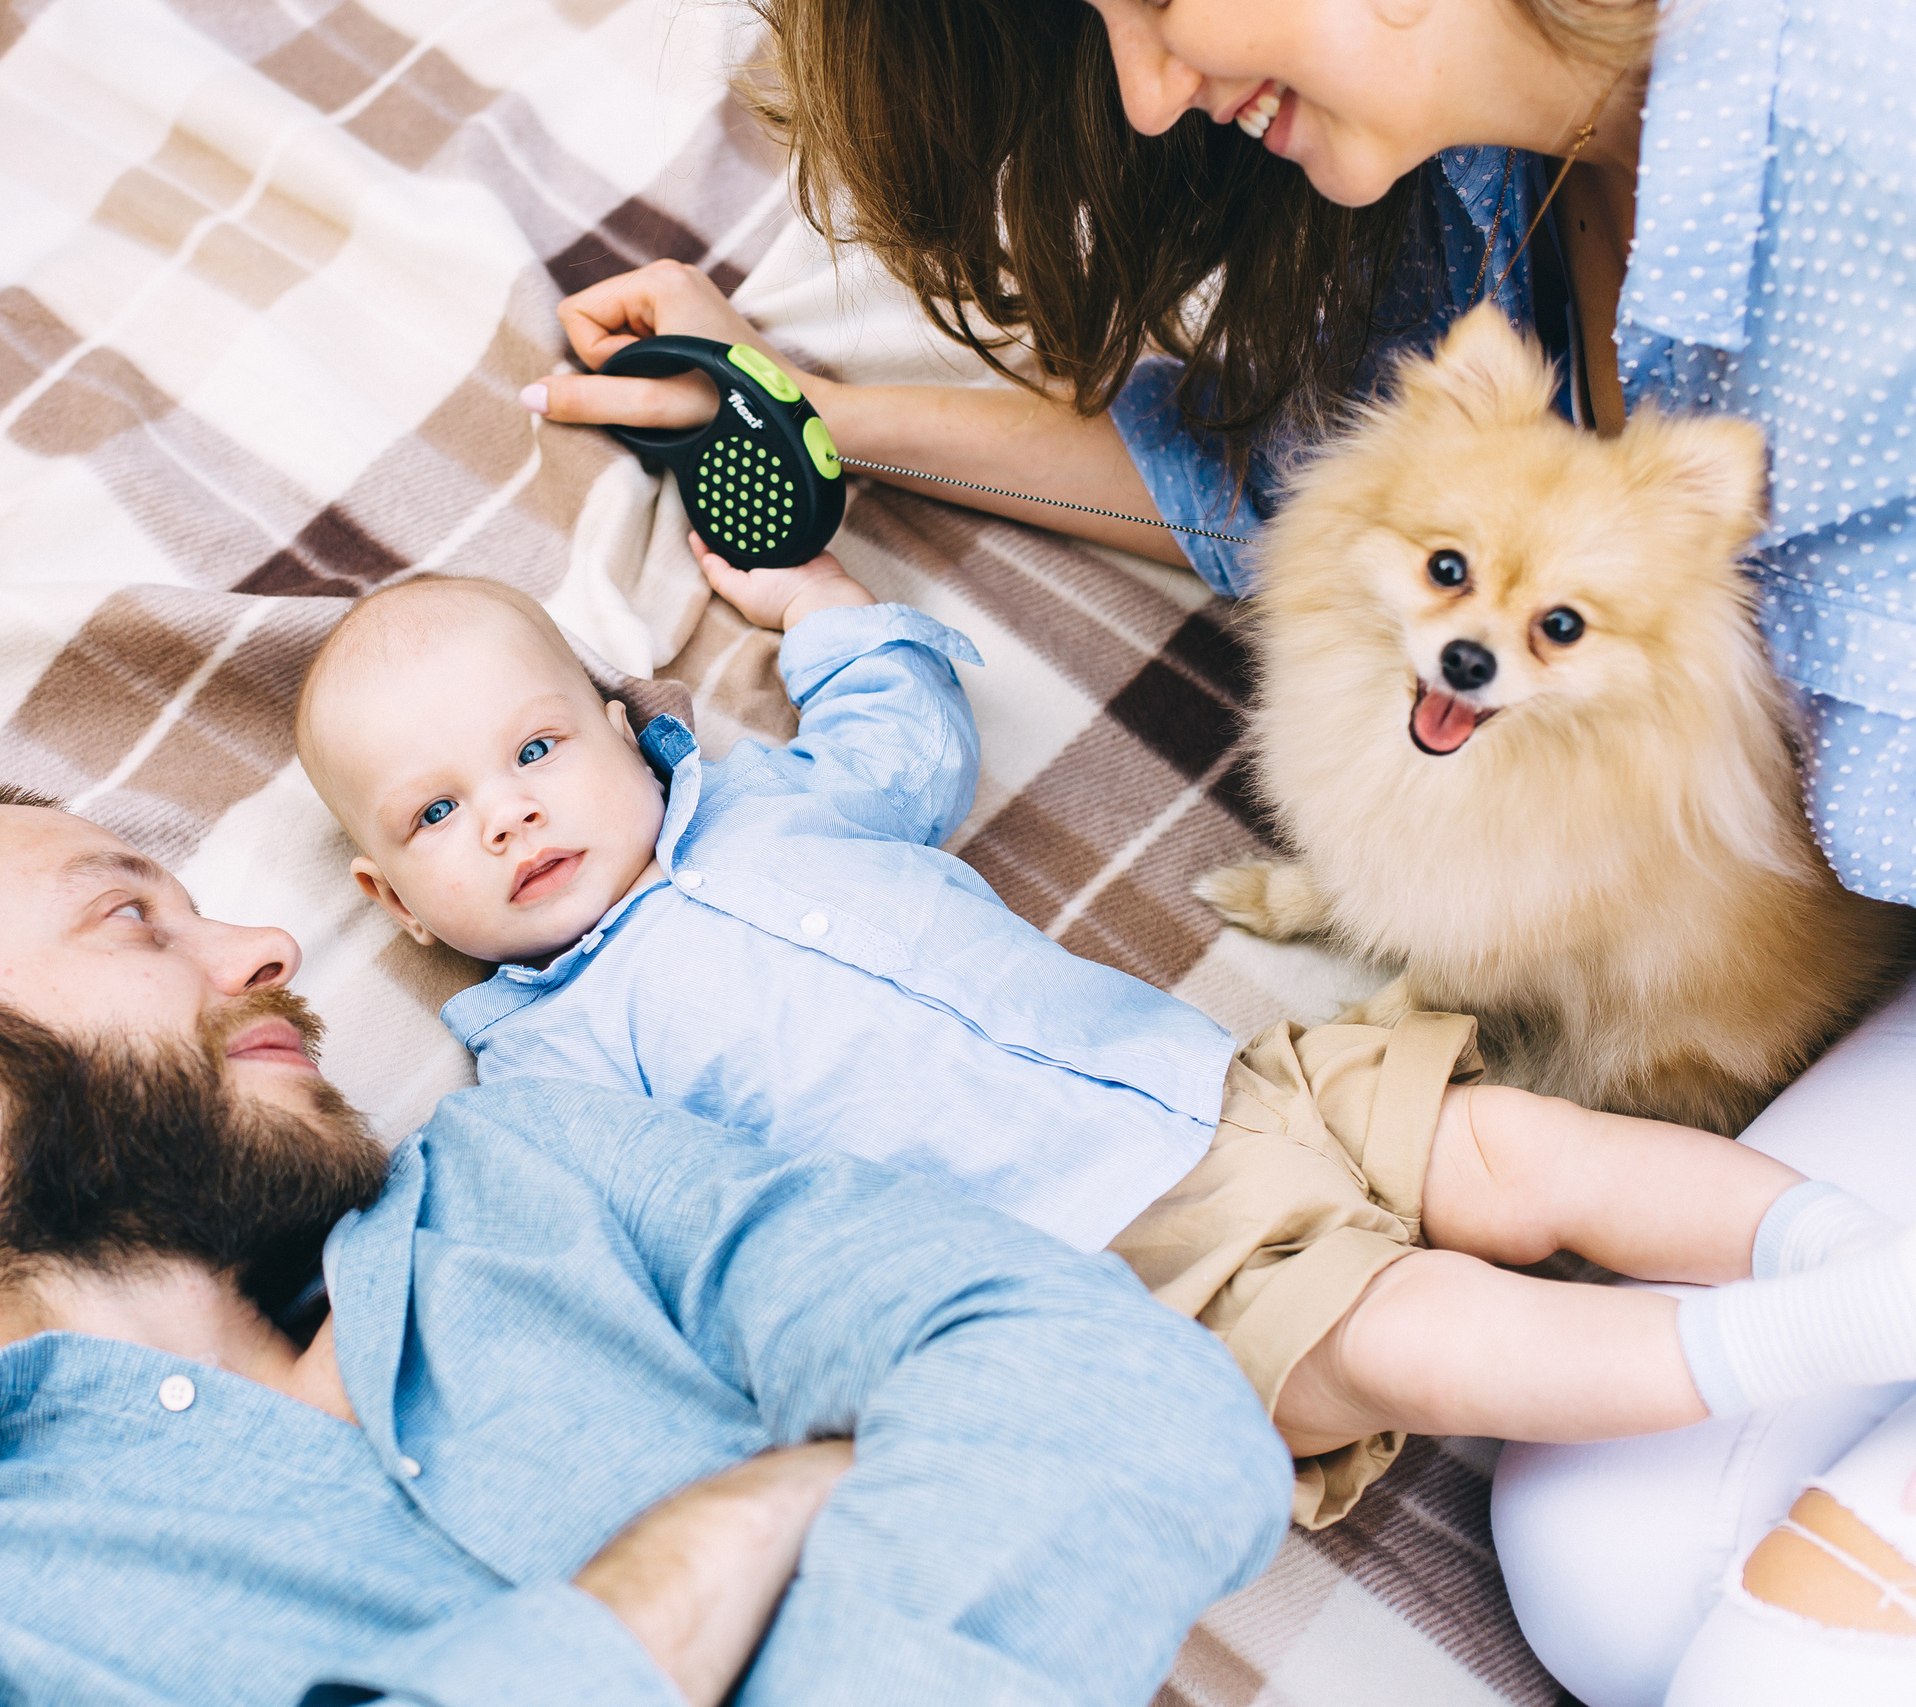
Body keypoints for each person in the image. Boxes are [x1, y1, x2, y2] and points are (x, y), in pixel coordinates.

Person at [515, 1, 1915, 1693]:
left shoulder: (1870, 151)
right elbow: (1280, 493)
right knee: (1600, 1581)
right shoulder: (1488, 176)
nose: (1141, 88)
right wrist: (826, 417)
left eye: (1160, 0)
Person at [291, 554, 1916, 1541]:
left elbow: (907, 745)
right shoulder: (558, 1077)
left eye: (533, 748)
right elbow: (672, 1261)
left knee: (1511, 1148)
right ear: (393, 899)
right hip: (1136, 1264)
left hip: (1229, 1077)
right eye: (438, 813)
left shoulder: (766, 801)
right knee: (1417, 1325)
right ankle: (1783, 1348)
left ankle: (1836, 1243)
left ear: (623, 726)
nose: (505, 808)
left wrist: (832, 612)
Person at [0, 784, 1291, 1706]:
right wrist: (757, 1507)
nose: (268, 942)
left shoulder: (546, 1165)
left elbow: (1138, 1406)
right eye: (132, 917)